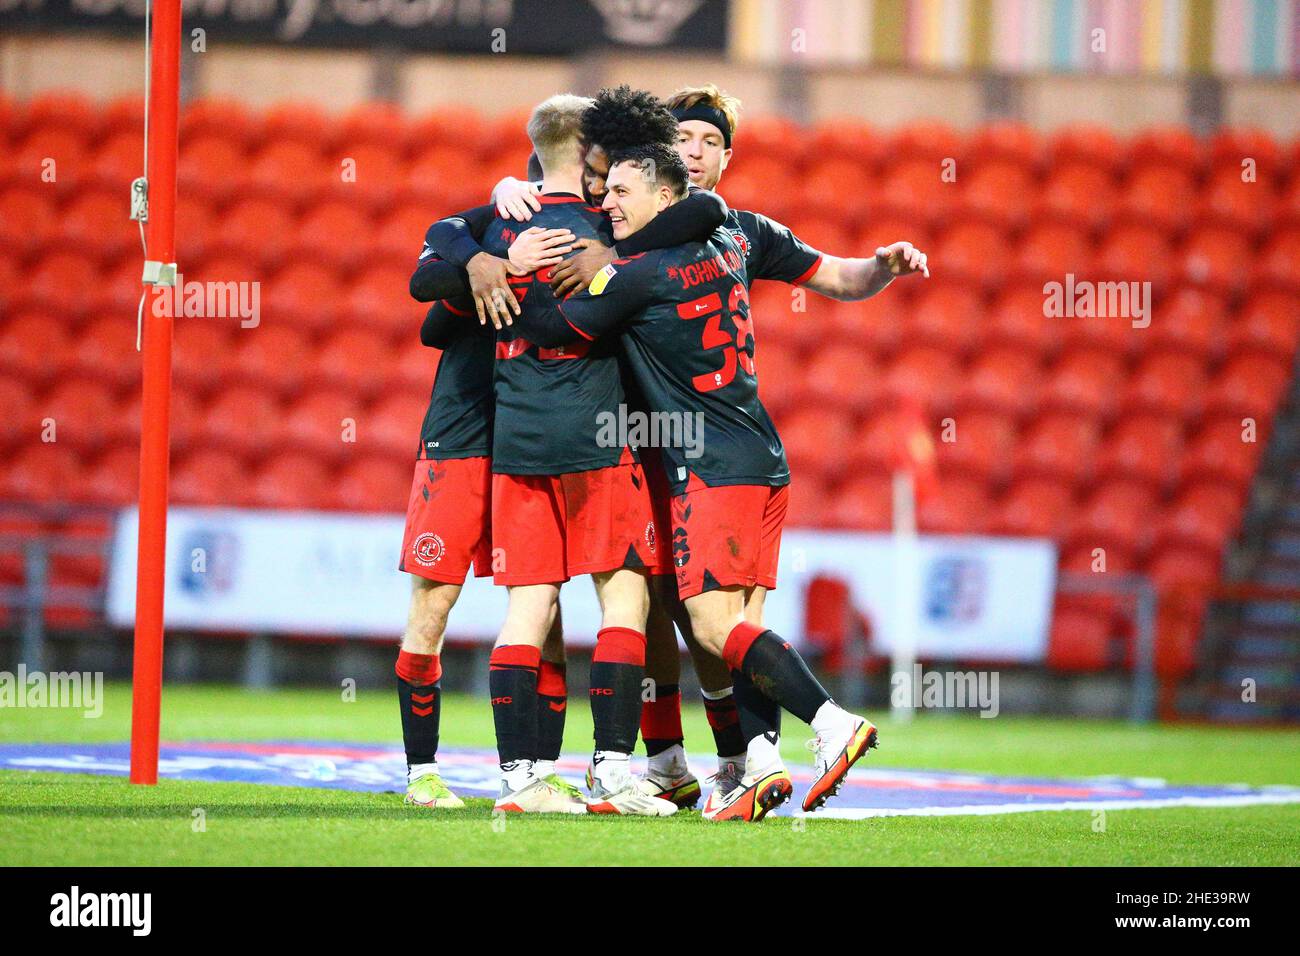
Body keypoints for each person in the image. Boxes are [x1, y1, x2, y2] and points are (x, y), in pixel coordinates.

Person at [511, 143, 882, 821]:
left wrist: (514, 267)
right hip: (762, 455)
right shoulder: (729, 246)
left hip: (711, 467)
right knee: (738, 628)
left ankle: (831, 725)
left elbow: (546, 325)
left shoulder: (642, 273)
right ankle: (750, 774)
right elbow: (714, 211)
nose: (608, 204)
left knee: (712, 628)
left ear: (662, 196)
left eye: (623, 191)